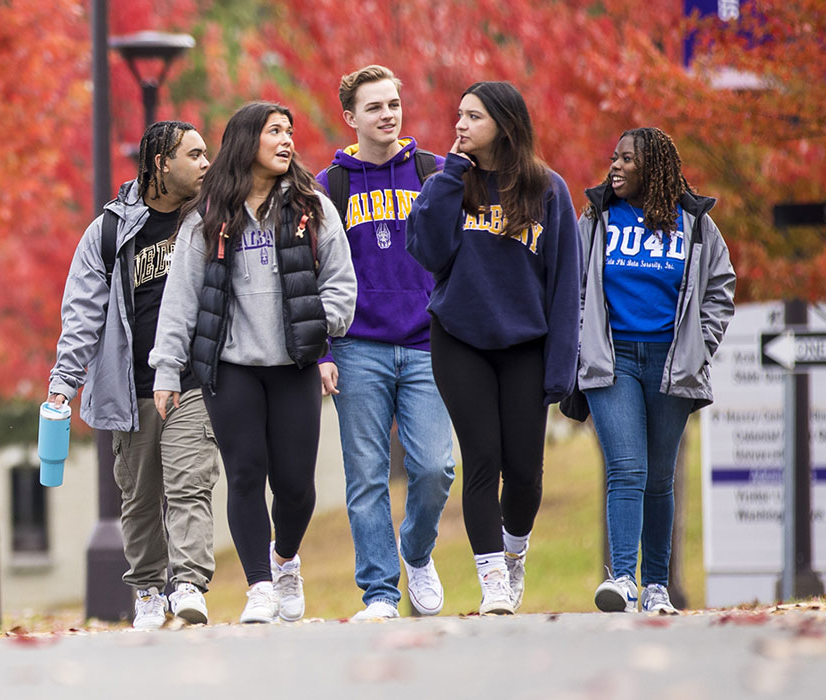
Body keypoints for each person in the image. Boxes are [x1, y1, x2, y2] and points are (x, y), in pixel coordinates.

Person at [151, 102, 356, 624]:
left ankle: (285, 558)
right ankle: (260, 587)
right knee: (245, 474)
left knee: (296, 485)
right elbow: (181, 296)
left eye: (290, 131)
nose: (286, 140)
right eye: (274, 132)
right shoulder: (211, 215)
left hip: (293, 366)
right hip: (231, 365)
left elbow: (341, 283)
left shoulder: (313, 206)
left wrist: (318, 323)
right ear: (247, 141)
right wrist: (168, 369)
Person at [405, 81, 580, 615]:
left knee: (524, 473)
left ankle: (514, 551)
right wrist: (450, 179)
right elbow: (426, 251)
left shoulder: (549, 190)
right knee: (482, 460)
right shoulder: (449, 183)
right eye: (458, 115)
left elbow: (564, 284)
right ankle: (493, 582)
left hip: (525, 344)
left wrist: (560, 368)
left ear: (504, 125)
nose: (459, 125)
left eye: (472, 117)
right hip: (459, 340)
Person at [47, 120, 217, 630]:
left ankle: (189, 583)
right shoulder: (108, 232)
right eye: (195, 155)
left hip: (192, 383)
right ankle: (148, 588)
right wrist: (63, 382)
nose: (206, 163)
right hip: (131, 389)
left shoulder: (210, 220)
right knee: (140, 499)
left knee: (190, 484)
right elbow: (81, 314)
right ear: (162, 164)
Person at [314, 65, 455, 621]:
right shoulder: (328, 188)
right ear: (350, 118)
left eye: (394, 103)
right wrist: (323, 351)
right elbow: (310, 274)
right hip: (357, 348)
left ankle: (416, 552)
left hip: (426, 345)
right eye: (374, 107)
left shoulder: (434, 173)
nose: (388, 114)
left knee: (435, 468)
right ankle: (379, 594)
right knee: (366, 476)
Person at [576, 127, 735, 614]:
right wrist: (581, 340)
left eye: (627, 159)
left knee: (660, 477)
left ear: (655, 168)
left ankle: (656, 586)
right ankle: (623, 578)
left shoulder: (695, 223)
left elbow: (720, 288)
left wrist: (699, 346)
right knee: (627, 468)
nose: (616, 166)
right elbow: (572, 283)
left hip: (672, 363)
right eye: (614, 157)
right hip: (613, 358)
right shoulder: (598, 217)